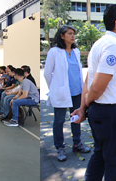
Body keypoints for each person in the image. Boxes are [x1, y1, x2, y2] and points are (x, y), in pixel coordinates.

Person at [69, 4, 116, 180]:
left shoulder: (101, 43)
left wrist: (83, 107)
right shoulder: (113, 46)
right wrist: (87, 103)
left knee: (100, 155)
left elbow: (89, 80)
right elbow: (96, 86)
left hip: (101, 111)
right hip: (110, 113)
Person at [44, 24, 92, 162]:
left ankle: (77, 143)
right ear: (61, 36)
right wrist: (54, 88)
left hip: (77, 91)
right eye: (69, 33)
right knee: (59, 120)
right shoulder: (54, 51)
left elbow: (78, 72)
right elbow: (47, 73)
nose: (72, 36)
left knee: (76, 118)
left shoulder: (76, 51)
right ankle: (60, 147)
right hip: (61, 92)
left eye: (73, 33)